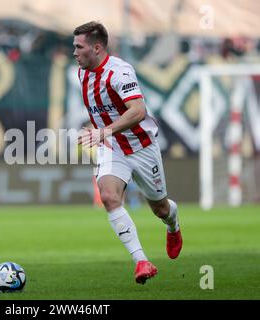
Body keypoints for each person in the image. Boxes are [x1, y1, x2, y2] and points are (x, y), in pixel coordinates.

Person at [74, 21, 182, 284]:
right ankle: (141, 261)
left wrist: (105, 130)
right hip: (111, 148)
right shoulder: (82, 73)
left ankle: (173, 225)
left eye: (79, 47)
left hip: (142, 147)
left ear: (97, 48)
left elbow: (138, 111)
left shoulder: (120, 72)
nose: (74, 52)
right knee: (109, 197)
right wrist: (102, 133)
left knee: (160, 208)